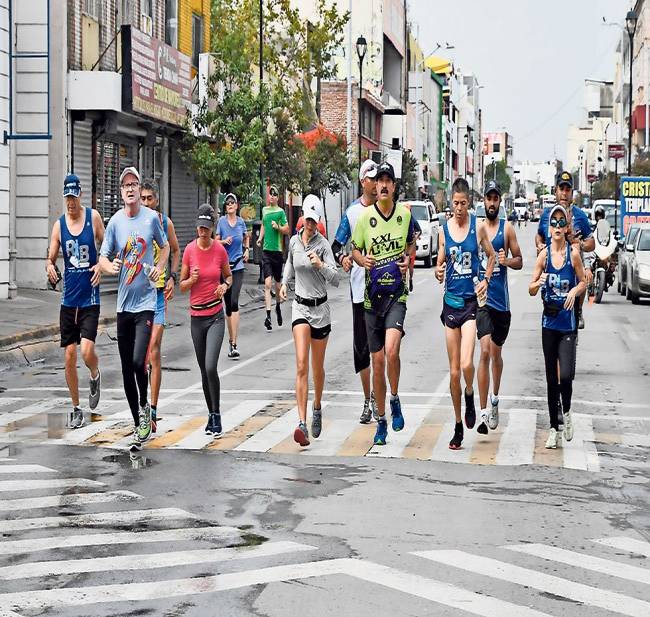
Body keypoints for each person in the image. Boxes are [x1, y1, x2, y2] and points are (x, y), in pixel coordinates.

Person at [98, 167, 169, 451]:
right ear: (121, 191)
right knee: (127, 367)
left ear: (140, 190)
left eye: (134, 184)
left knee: (140, 360)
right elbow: (103, 258)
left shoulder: (151, 219)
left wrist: (160, 270)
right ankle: (137, 419)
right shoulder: (115, 222)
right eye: (125, 184)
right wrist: (110, 266)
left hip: (146, 304)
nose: (130, 188)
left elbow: (164, 249)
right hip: (123, 306)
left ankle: (144, 406)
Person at [351, 162, 415, 446]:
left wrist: (408, 261)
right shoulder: (365, 218)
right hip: (371, 299)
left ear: (394, 186)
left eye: (389, 180)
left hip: (396, 296)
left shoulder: (404, 216)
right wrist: (361, 259)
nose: (385, 185)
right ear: (374, 186)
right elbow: (354, 249)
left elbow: (413, 242)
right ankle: (381, 421)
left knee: (391, 351)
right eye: (380, 181)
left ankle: (395, 398)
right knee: (376, 362)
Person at [436, 177, 496, 451]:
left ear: (469, 203)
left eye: (463, 203)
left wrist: (485, 278)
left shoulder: (479, 227)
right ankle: (458, 425)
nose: (459, 208)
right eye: (455, 204)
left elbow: (492, 257)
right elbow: (440, 262)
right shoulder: (443, 230)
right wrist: (438, 271)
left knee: (467, 365)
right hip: (450, 304)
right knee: (452, 371)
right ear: (451, 202)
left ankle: (470, 394)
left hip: (472, 304)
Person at [46, 174, 104, 428]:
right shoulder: (59, 225)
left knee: (86, 351)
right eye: (67, 197)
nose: (70, 202)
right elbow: (50, 257)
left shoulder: (93, 218)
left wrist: (101, 265)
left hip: (90, 297)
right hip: (68, 300)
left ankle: (94, 373)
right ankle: (76, 408)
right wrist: (49, 266)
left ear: (80, 195)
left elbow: (108, 245)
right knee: (69, 354)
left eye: (73, 197)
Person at [280, 202, 338, 446]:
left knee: (317, 368)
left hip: (320, 309)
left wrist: (320, 265)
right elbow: (290, 264)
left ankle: (317, 407)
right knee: (302, 364)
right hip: (300, 307)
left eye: (315, 220)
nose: (311, 225)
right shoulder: (295, 242)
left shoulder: (323, 245)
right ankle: (301, 423)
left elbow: (335, 278)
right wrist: (284, 284)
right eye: (308, 220)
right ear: (302, 218)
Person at [529, 205, 586, 448]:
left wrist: (574, 289)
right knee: (552, 378)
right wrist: (538, 282)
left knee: (565, 375)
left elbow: (584, 281)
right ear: (549, 227)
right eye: (554, 223)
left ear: (567, 228)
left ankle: (569, 411)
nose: (558, 227)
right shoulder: (543, 256)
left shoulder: (573, 254)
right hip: (548, 322)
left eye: (563, 223)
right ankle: (554, 427)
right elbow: (531, 289)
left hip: (567, 324)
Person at [331, 159, 379, 424]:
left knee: (382, 349)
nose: (376, 182)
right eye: (372, 178)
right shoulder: (352, 213)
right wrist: (344, 259)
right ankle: (367, 399)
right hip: (360, 291)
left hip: (386, 290)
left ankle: (384, 397)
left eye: (379, 178)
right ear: (363, 181)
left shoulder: (389, 209)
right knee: (362, 349)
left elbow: (410, 236)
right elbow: (337, 245)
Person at [180, 204, 233, 438]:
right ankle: (211, 414)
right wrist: (191, 280)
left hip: (215, 316)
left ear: (212, 229)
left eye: (207, 228)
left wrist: (224, 285)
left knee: (211, 366)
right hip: (196, 318)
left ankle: (218, 414)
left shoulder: (219, 250)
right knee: (203, 369)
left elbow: (229, 276)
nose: (203, 231)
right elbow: (181, 286)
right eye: (200, 227)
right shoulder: (190, 250)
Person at [475, 181, 522, 434]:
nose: (492, 203)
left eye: (495, 199)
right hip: (482, 303)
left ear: (500, 202)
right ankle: (483, 412)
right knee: (483, 352)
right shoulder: (479, 229)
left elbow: (520, 261)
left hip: (501, 305)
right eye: (488, 198)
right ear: (484, 201)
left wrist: (507, 261)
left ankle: (494, 399)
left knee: (495, 355)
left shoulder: (507, 229)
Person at [140, 179, 180, 433]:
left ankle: (153, 409)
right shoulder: (133, 222)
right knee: (139, 356)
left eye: (149, 199)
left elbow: (176, 251)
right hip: (137, 296)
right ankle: (143, 406)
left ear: (157, 200)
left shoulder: (165, 224)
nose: (145, 203)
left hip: (156, 296)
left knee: (154, 349)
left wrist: (172, 277)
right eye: (142, 198)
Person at [536, 171, 594, 329]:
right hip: (551, 282)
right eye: (561, 189)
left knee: (570, 333)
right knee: (551, 328)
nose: (564, 193)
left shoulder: (580, 216)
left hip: (572, 282)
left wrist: (579, 243)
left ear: (572, 193)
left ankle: (579, 312)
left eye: (567, 189)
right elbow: (539, 236)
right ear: (555, 190)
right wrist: (540, 246)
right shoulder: (547, 215)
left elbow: (591, 243)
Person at [216, 193, 250, 359]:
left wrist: (247, 250)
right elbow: (215, 241)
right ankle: (230, 341)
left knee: (235, 302)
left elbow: (246, 238)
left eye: (232, 202)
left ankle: (235, 343)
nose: (229, 204)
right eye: (227, 202)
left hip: (237, 266)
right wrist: (224, 242)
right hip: (224, 268)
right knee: (228, 305)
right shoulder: (221, 222)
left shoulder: (241, 222)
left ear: (237, 206)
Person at [257, 184, 289, 331]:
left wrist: (278, 227)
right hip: (266, 251)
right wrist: (260, 238)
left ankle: (277, 307)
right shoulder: (265, 210)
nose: (272, 197)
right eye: (270, 194)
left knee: (277, 285)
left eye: (275, 195)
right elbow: (263, 225)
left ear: (278, 197)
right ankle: (268, 316)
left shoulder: (281, 212)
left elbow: (287, 229)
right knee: (267, 284)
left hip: (277, 251)